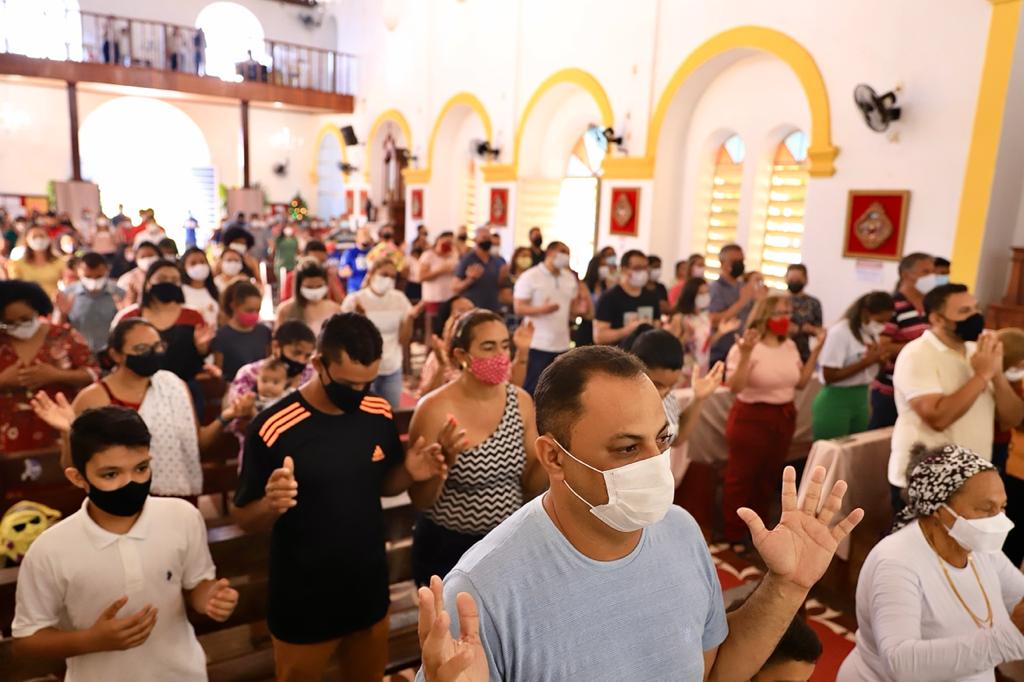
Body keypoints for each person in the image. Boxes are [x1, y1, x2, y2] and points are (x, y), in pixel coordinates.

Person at [415, 344, 863, 682]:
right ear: (554, 457)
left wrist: (786, 586)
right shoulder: (481, 592)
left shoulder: (681, 530)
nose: (655, 462)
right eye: (628, 447)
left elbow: (713, 669)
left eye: (662, 440)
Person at [232, 312, 446, 682]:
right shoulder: (272, 428)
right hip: (304, 598)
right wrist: (270, 503)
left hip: (367, 588)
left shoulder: (376, 410)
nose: (359, 394)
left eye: (368, 382)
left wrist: (409, 471)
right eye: (349, 383)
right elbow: (244, 517)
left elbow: (385, 485)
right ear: (319, 364)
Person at [10, 406, 239, 680]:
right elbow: (26, 642)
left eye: (141, 468)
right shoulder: (50, 550)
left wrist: (211, 599)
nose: (131, 482)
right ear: (78, 478)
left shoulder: (182, 517)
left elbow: (196, 583)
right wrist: (91, 640)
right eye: (110, 474)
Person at [837, 443, 1024, 682]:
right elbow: (901, 663)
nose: (999, 520)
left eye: (1002, 507)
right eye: (986, 509)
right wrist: (1008, 638)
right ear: (939, 509)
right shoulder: (895, 562)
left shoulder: (981, 550)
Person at [32, 318, 249, 499]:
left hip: (178, 500)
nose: (152, 354)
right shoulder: (94, 398)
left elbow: (197, 443)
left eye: (157, 347)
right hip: (122, 503)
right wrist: (68, 431)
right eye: (141, 349)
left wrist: (228, 416)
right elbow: (72, 465)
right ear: (116, 354)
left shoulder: (174, 386)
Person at [408, 309, 546, 585]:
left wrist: (552, 455)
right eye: (488, 347)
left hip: (505, 541)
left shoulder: (520, 402)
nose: (501, 356)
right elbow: (420, 499)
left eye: (505, 346)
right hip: (448, 548)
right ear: (461, 356)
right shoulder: (434, 409)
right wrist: (443, 463)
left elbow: (531, 484)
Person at [889, 283, 1024, 510]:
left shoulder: (976, 351)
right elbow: (938, 418)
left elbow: (1012, 419)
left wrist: (997, 375)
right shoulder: (917, 354)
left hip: (973, 477)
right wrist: (982, 375)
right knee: (923, 545)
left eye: (976, 309)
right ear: (937, 319)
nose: (975, 316)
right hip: (929, 478)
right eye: (964, 312)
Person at [724, 295, 825, 547]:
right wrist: (746, 354)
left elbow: (801, 382)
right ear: (764, 316)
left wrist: (816, 351)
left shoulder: (789, 345)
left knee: (768, 476)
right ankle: (733, 533)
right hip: (751, 417)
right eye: (779, 313)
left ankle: (758, 530)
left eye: (788, 313)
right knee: (742, 477)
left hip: (783, 416)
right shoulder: (745, 346)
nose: (785, 318)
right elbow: (735, 387)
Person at [0, 281, 97, 455]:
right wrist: (3, 381)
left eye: (25, 319)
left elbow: (94, 374)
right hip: (7, 439)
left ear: (38, 310)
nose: (19, 327)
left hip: (59, 432)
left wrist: (57, 375)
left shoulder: (64, 336)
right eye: (9, 323)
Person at [113, 261, 213, 393]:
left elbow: (203, 356)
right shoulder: (128, 316)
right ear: (148, 283)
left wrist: (202, 348)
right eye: (162, 278)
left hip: (185, 389)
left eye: (174, 280)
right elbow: (115, 352)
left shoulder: (193, 317)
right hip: (137, 389)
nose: (169, 282)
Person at [812, 291, 896, 441]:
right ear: (865, 313)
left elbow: (873, 373)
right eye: (880, 321)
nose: (882, 326)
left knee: (853, 455)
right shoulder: (840, 332)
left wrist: (881, 361)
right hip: (836, 401)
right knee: (832, 455)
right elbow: (829, 376)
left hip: (861, 398)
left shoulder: (869, 332)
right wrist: (867, 361)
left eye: (886, 322)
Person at [869, 252, 937, 429]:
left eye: (933, 272)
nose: (932, 277)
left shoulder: (931, 307)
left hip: (922, 388)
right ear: (906, 275)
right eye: (926, 272)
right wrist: (919, 348)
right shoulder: (893, 306)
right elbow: (882, 346)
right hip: (892, 388)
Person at [513, 241, 592, 393]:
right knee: (532, 388)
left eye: (568, 253)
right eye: (562, 252)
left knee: (557, 390)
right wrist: (542, 309)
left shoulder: (569, 278)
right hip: (537, 343)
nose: (566, 256)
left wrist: (579, 309)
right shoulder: (531, 276)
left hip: (561, 343)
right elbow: (518, 307)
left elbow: (571, 309)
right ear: (550, 253)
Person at [340, 258, 420, 410]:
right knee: (361, 416)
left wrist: (409, 319)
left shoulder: (399, 299)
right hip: (361, 369)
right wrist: (360, 319)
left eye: (392, 276)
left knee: (390, 415)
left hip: (392, 367)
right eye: (384, 274)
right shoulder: (355, 300)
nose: (388, 280)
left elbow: (404, 340)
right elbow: (344, 338)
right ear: (371, 274)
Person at [629, 328, 723, 448]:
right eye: (657, 385)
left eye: (671, 385)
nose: (665, 392)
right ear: (634, 368)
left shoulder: (668, 396)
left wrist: (698, 398)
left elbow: (676, 437)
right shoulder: (621, 407)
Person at [708, 244, 765, 369]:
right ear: (723, 264)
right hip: (720, 352)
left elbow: (753, 319)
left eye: (742, 261)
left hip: (741, 351)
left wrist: (760, 302)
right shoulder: (715, 288)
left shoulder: (744, 286)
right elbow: (714, 320)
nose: (740, 265)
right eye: (735, 261)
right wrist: (741, 302)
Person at [56, 253, 125, 353]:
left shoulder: (119, 294)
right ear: (78, 272)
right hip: (79, 353)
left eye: (98, 277)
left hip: (110, 351)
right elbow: (58, 329)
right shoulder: (68, 294)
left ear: (107, 270)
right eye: (88, 276)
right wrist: (62, 313)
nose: (93, 281)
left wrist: (123, 312)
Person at [593, 249, 663, 346]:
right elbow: (599, 337)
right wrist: (629, 329)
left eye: (645, 268)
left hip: (646, 354)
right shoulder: (609, 297)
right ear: (624, 269)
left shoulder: (652, 296)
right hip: (618, 356)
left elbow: (657, 325)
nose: (642, 272)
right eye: (637, 268)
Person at [212, 280, 271, 382]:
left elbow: (270, 365)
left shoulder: (264, 332)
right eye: (249, 310)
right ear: (234, 306)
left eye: (257, 310)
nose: (254, 314)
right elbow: (218, 373)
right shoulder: (221, 336)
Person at [418, 296, 475, 398]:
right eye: (461, 313)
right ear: (446, 323)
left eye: (472, 311)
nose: (469, 317)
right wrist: (442, 366)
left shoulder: (481, 351)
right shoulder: (437, 358)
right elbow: (424, 398)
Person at [274, 260, 341, 338]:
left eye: (319, 286)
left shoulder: (335, 309)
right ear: (298, 286)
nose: (315, 291)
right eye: (309, 287)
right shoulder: (285, 310)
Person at [453, 226, 509, 313]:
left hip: (492, 309)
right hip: (472, 310)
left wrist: (503, 276)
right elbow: (455, 287)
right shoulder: (467, 260)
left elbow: (500, 286)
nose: (487, 241)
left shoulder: (497, 260)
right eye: (484, 238)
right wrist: (470, 279)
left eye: (489, 238)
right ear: (475, 239)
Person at [7, 224, 65, 299]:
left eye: (41, 236)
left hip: (53, 303)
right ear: (26, 240)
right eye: (34, 237)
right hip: (28, 305)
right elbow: (15, 288)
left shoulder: (59, 261)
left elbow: (68, 281)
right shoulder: (16, 264)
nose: (39, 239)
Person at [279, 240, 344, 303]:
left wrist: (330, 280)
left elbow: (341, 302)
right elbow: (287, 303)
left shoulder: (329, 276)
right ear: (304, 258)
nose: (318, 266)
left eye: (322, 262)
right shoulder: (292, 277)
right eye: (314, 261)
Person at [785, 264, 823, 363]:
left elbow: (819, 330)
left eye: (797, 279)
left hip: (802, 354)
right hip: (778, 351)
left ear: (805, 280)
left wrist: (811, 329)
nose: (794, 282)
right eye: (791, 279)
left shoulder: (813, 303)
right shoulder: (776, 301)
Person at [419, 231, 460, 318]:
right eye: (445, 242)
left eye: (450, 242)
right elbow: (421, 277)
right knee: (434, 325)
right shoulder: (428, 255)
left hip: (450, 297)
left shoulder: (454, 255)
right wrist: (440, 271)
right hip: (433, 298)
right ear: (438, 241)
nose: (448, 245)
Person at [180, 247, 220, 328]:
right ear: (184, 267)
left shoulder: (214, 289)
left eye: (202, 262)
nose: (199, 266)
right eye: (193, 263)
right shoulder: (180, 291)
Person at [116, 241, 161, 308]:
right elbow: (120, 305)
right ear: (136, 259)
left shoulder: (167, 275)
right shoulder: (126, 278)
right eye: (143, 257)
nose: (147, 259)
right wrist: (131, 298)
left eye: (151, 255)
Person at [337, 226, 373, 291]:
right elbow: (342, 272)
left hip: (370, 289)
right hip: (355, 289)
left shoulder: (374, 252)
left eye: (367, 234)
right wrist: (346, 271)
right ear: (356, 237)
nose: (364, 237)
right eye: (362, 235)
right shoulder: (349, 253)